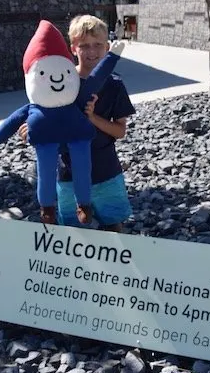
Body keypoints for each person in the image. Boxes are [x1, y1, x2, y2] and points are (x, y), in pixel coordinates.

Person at [20, 15, 135, 232]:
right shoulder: (60, 81)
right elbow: (41, 116)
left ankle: (116, 266)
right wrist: (32, 131)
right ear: (73, 48)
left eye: (97, 45)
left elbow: (120, 131)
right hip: (67, 174)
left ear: (107, 47)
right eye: (84, 46)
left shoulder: (115, 86)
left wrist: (93, 118)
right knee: (72, 231)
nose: (91, 51)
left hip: (106, 171)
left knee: (114, 227)